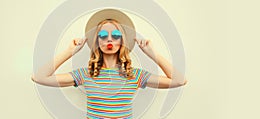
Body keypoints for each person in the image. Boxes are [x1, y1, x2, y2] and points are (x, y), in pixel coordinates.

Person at [31, 9, 187, 119]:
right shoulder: (85, 75)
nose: (109, 40)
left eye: (116, 35)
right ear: (97, 42)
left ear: (122, 41)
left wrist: (153, 55)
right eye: (103, 35)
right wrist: (69, 51)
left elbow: (179, 81)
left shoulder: (135, 75)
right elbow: (39, 77)